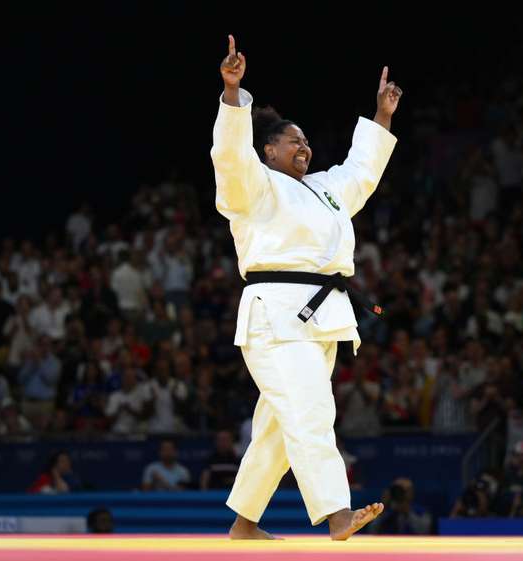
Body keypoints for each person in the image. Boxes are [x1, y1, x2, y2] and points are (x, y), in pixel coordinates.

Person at [213, 35, 401, 540]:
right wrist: (233, 93)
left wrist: (381, 117)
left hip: (323, 318)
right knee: (313, 410)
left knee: (278, 429)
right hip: (275, 316)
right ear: (268, 149)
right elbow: (230, 157)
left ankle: (245, 525)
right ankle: (336, 513)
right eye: (292, 141)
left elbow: (361, 173)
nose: (303, 146)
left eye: (306, 141)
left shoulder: (323, 189)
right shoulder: (252, 187)